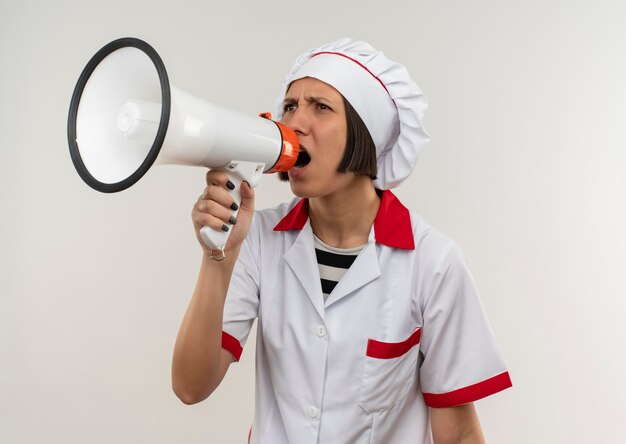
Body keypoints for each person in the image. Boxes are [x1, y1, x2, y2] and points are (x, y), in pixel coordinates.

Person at [172, 38, 512, 444]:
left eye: (321, 106)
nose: (294, 123)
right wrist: (218, 256)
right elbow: (191, 387)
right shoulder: (259, 239)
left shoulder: (434, 262)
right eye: (290, 105)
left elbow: (456, 436)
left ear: (366, 134)